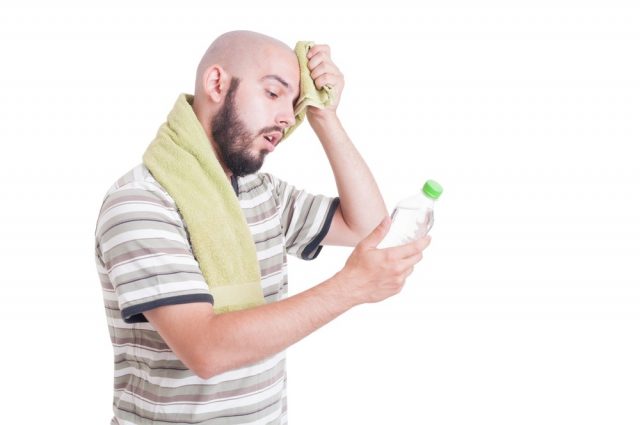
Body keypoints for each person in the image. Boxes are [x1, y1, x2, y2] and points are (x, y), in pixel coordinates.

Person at [94, 30, 430, 424]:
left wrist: (324, 114)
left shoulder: (260, 192)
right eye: (273, 93)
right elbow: (206, 350)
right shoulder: (141, 202)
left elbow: (368, 228)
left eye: (294, 102)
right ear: (217, 83)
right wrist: (349, 288)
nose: (288, 118)